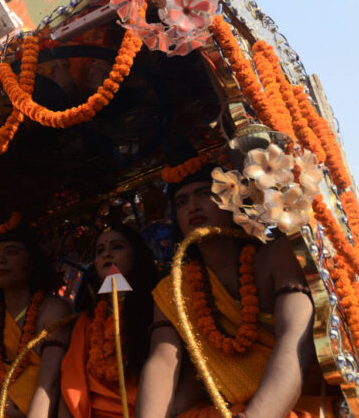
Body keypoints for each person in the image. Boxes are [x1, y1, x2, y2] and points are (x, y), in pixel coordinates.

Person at [136, 158, 327, 418]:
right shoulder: (174, 290)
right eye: (181, 202)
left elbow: (295, 337)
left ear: (233, 198)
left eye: (205, 194)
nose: (192, 206)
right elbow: (163, 362)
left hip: (300, 403)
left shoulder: (276, 255)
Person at [0, 228, 72, 417]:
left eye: (11, 252)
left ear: (31, 262)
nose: (0, 260)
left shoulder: (53, 311)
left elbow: (49, 385)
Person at [59, 224, 157, 418]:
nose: (107, 255)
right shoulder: (88, 322)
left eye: (117, 247)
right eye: (100, 251)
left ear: (136, 255)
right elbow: (71, 383)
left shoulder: (156, 306)